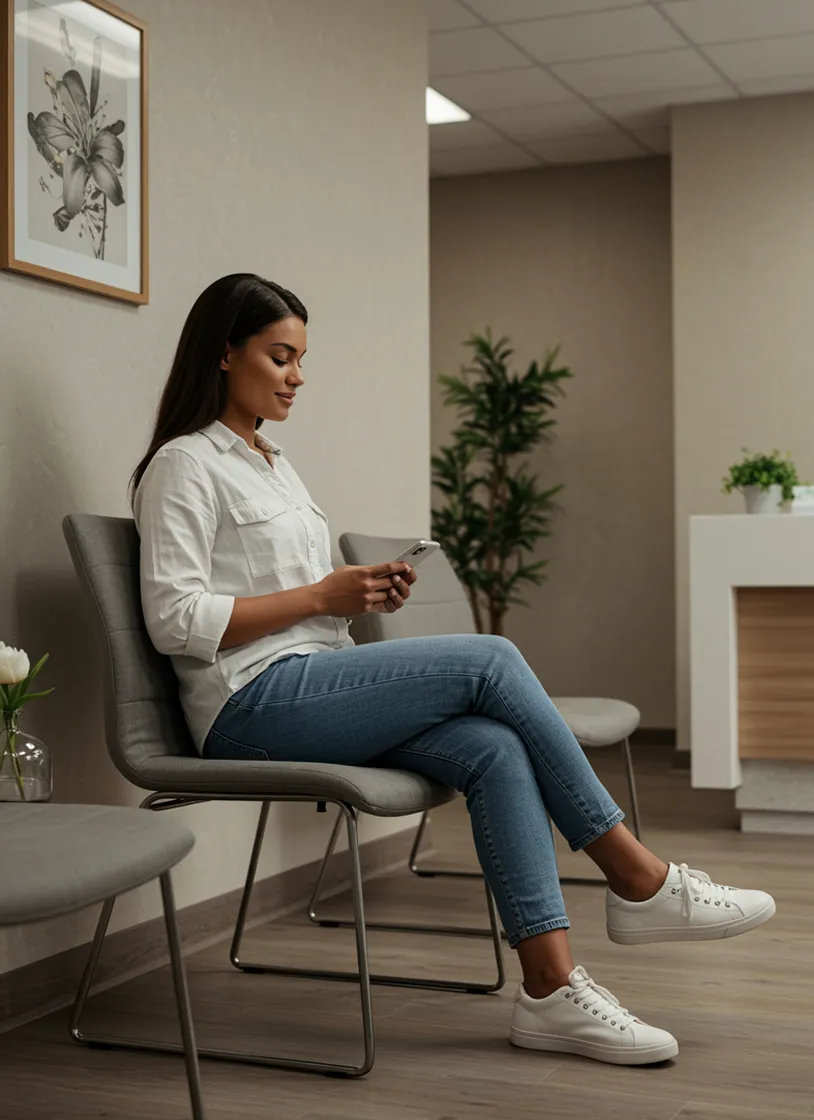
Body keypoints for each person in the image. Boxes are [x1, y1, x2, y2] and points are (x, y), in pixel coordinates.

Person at [131, 273, 776, 1068]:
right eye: (280, 356)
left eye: (300, 359)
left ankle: (549, 990)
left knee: (490, 747)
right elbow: (174, 618)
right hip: (249, 708)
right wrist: (321, 595)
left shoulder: (273, 465)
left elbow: (295, 606)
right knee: (490, 657)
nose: (297, 376)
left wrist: (355, 596)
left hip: (311, 682)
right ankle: (637, 878)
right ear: (225, 354)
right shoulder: (183, 465)